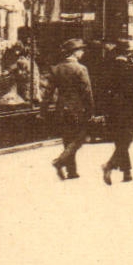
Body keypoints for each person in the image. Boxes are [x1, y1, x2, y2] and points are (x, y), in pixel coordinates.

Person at [97, 41, 133, 185]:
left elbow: (103, 91)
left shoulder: (108, 69)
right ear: (127, 53)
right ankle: (110, 165)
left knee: (120, 140)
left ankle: (127, 172)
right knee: (126, 140)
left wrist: (104, 110)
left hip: (113, 110)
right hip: (129, 110)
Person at [47, 39, 92, 180]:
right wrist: (90, 110)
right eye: (81, 50)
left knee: (67, 138)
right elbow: (87, 92)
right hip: (77, 109)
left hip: (61, 108)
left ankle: (72, 171)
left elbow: (48, 91)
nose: (83, 52)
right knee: (80, 137)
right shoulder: (81, 69)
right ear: (75, 52)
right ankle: (60, 161)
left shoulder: (56, 68)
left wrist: (43, 110)